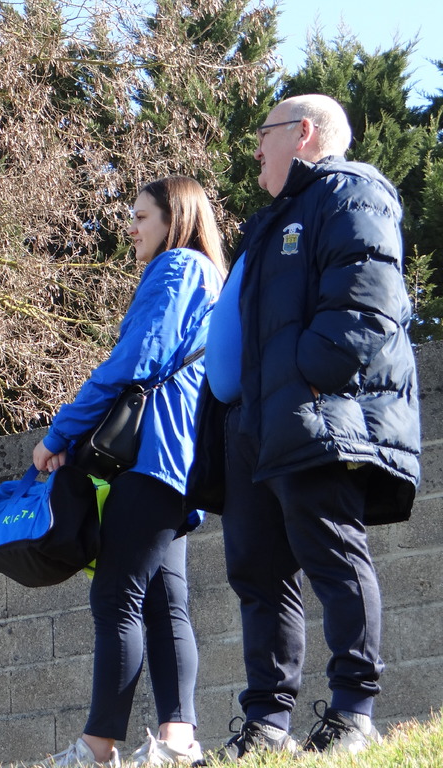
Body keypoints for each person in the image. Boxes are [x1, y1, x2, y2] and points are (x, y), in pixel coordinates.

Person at [189, 94, 421, 759]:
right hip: (253, 423)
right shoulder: (274, 218)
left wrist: (310, 377)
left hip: (309, 413)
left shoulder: (350, 192)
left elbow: (368, 303)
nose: (256, 148)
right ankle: (267, 726)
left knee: (332, 554)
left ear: (303, 133)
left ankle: (353, 714)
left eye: (264, 133)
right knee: (259, 575)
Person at [34, 176, 226, 767]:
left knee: (116, 594)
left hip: (152, 455)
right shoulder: (209, 277)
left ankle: (97, 748)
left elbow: (136, 359)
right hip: (181, 459)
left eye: (143, 216)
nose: (132, 227)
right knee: (165, 604)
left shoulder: (177, 268)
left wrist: (61, 433)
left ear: (176, 219)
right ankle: (178, 743)